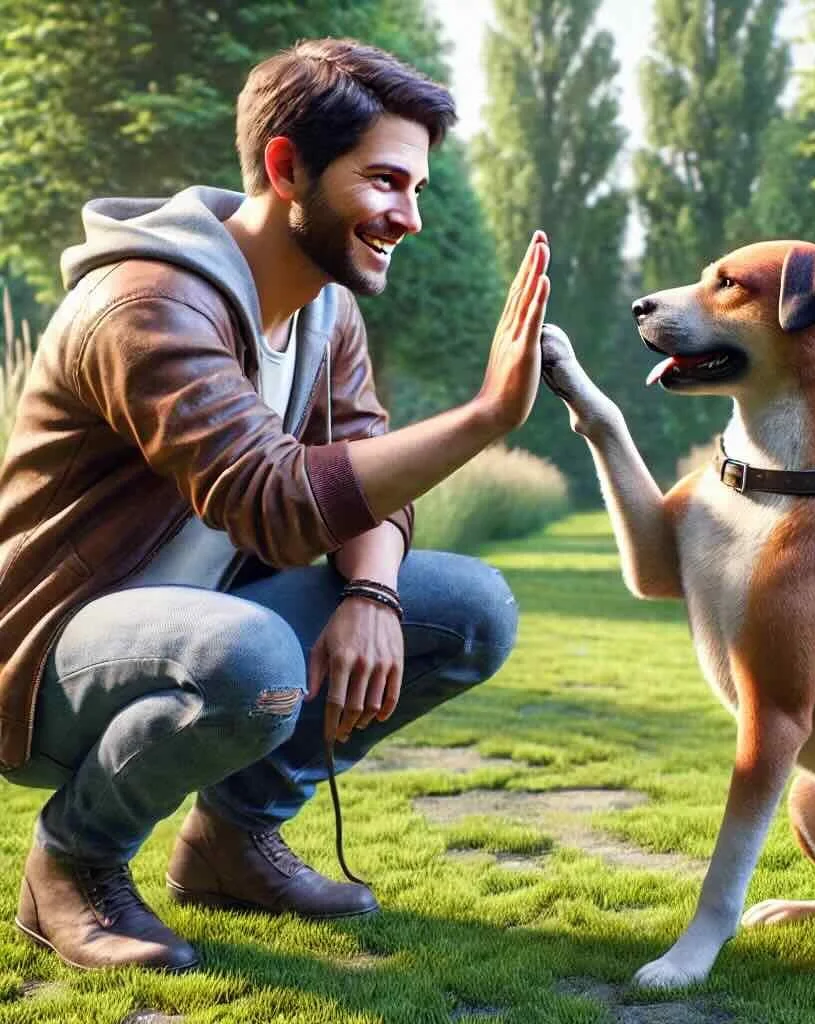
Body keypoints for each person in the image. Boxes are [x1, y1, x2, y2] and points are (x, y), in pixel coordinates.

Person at [0, 37, 550, 973]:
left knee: (465, 612)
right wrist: (488, 416)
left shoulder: (328, 311)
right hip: (52, 654)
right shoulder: (144, 304)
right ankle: (72, 866)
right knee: (250, 656)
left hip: (199, 627)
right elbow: (275, 502)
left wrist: (373, 598)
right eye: (384, 181)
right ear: (286, 166)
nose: (407, 216)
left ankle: (231, 841)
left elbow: (366, 470)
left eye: (414, 188)